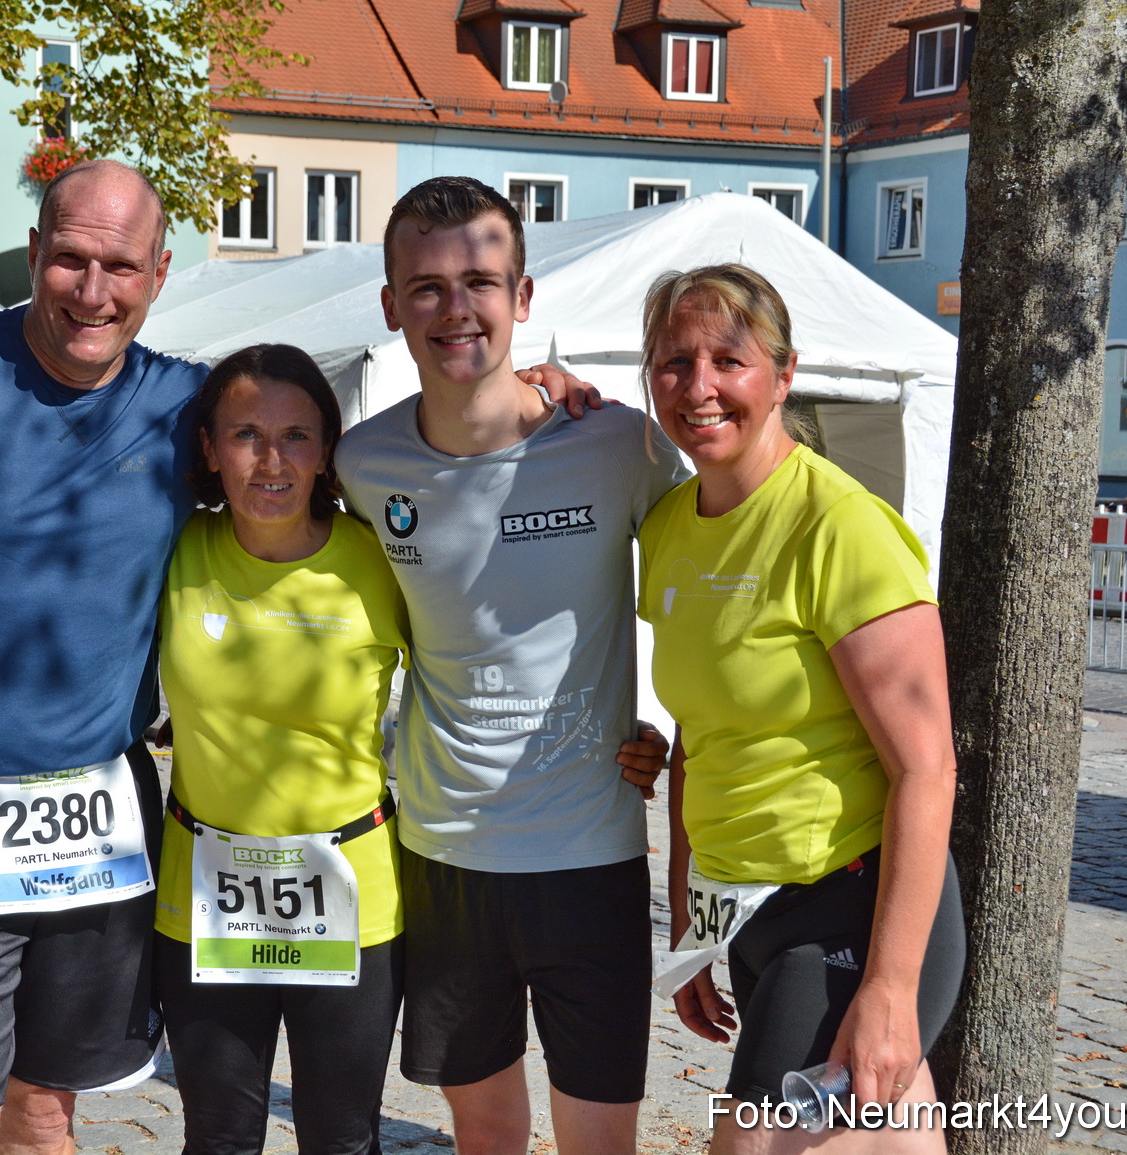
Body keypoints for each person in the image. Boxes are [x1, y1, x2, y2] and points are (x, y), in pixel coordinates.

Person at [0, 157, 603, 1155]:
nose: (92, 289)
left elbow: (421, 553)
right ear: (34, 256)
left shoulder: (181, 407)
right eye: (69, 260)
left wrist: (526, 398)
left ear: (159, 274)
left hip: (106, 807)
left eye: (119, 266)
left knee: (46, 1108)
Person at [335, 176, 683, 1155]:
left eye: (481, 281)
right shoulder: (362, 468)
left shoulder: (618, 444)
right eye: (428, 287)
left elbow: (720, 583)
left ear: (522, 298)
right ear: (392, 305)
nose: (457, 309)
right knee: (485, 1139)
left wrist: (682, 737)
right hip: (444, 864)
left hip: (592, 863)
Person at [626, 264, 964, 1154]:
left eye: (727, 359)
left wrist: (888, 989)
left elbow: (927, 765)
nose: (698, 386)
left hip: (851, 909)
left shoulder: (838, 527)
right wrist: (692, 931)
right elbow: (704, 736)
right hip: (747, 913)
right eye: (672, 362)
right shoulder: (666, 529)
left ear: (783, 373)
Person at [154, 343, 407, 1155]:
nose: (272, 460)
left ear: (328, 449)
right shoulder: (176, 550)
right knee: (219, 1139)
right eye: (246, 436)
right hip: (204, 891)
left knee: (341, 1138)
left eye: (297, 435)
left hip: (351, 892)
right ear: (209, 449)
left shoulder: (380, 559)